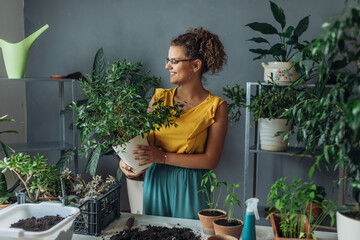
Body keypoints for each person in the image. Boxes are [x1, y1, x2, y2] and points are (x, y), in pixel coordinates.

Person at [119, 27, 228, 219]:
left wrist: (162, 157)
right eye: (167, 60)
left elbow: (211, 160)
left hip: (191, 185)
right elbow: (144, 143)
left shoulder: (216, 107)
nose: (167, 66)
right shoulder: (159, 98)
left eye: (174, 61)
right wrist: (128, 162)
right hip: (156, 180)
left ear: (195, 65)